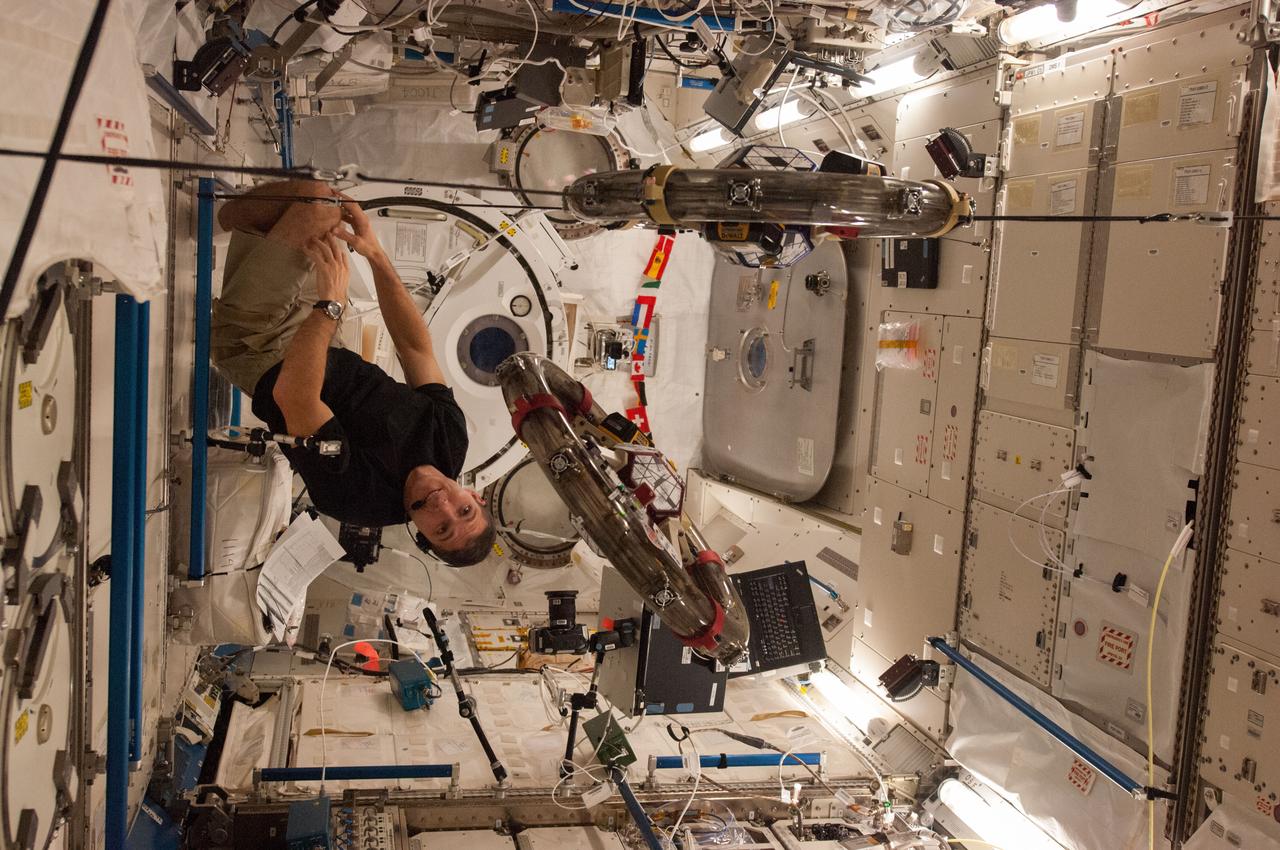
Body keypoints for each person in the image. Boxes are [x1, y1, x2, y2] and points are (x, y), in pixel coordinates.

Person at [210, 180, 496, 566]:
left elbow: (295, 396)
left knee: (312, 203)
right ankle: (230, 222)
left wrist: (331, 305)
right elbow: (415, 348)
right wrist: (375, 254)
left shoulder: (358, 499)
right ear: (475, 497)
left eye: (442, 528)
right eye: (464, 511)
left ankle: (207, 217)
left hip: (262, 352)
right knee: (331, 211)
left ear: (422, 537)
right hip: (324, 340)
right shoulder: (450, 441)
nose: (444, 507)